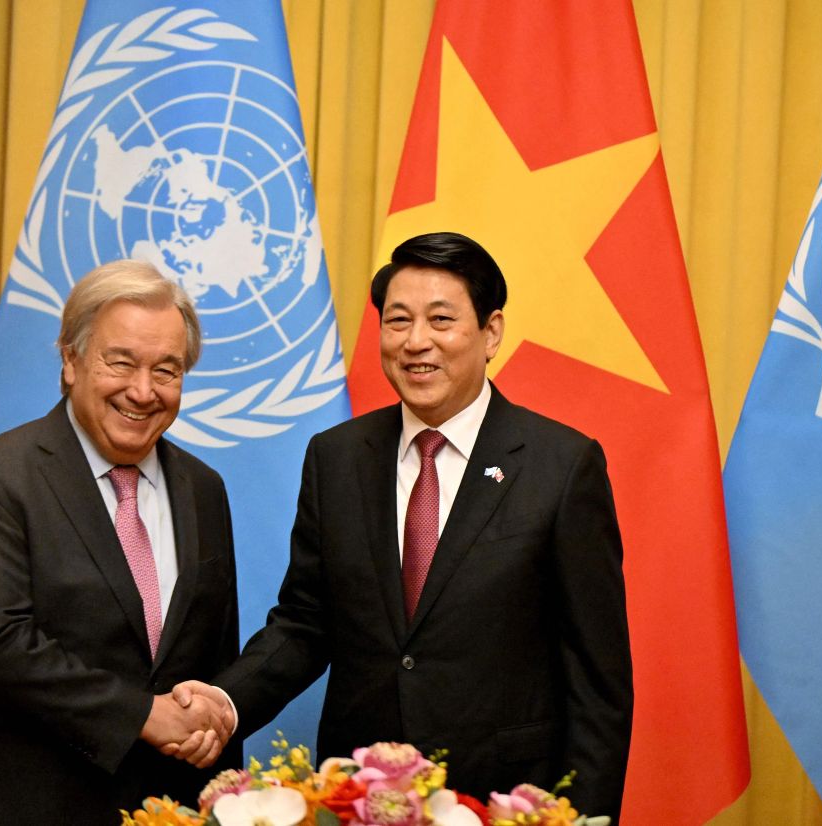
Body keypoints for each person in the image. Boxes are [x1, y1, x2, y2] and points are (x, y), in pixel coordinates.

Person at [175, 232, 633, 819]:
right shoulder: (336, 457)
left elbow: (598, 683)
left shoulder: (562, 466)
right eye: (398, 321)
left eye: (441, 320)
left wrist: (583, 817)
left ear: (491, 332)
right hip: (357, 800)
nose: (417, 342)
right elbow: (306, 621)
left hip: (504, 802)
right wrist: (224, 700)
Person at [0, 261, 240, 825]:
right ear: (71, 361)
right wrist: (141, 714)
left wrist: (221, 790)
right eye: (120, 363)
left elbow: (213, 658)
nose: (143, 391)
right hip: (22, 803)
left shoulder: (204, 489)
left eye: (166, 371)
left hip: (168, 808)